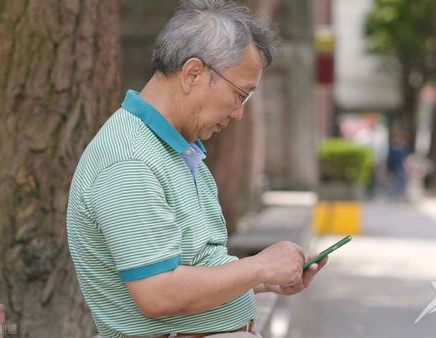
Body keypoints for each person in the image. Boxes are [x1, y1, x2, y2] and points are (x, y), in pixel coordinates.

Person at [66, 1, 327, 337]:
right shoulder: (130, 161)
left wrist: (264, 280)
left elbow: (195, 266)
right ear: (192, 73)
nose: (238, 113)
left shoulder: (174, 151)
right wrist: (258, 266)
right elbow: (158, 292)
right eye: (240, 95)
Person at [387, 131, 410, 198]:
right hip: (394, 167)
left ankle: (398, 195)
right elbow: (390, 159)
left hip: (400, 167)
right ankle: (393, 194)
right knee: (395, 181)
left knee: (400, 181)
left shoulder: (403, 149)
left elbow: (405, 159)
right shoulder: (393, 149)